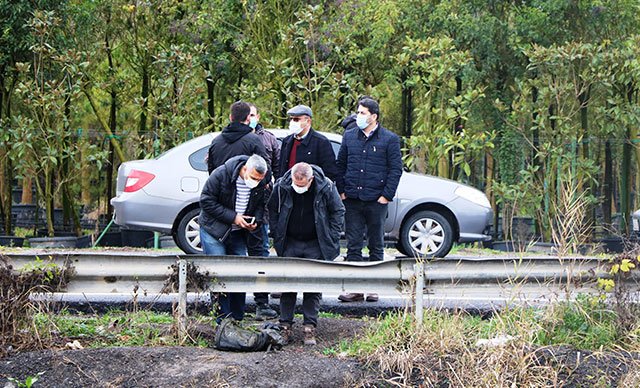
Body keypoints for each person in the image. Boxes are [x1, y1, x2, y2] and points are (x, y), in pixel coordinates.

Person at [268, 162, 345, 345]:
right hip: (290, 242)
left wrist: (331, 237)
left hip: (315, 242)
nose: (298, 187)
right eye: (296, 183)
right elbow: (272, 209)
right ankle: (285, 325)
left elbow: (338, 211)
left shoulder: (325, 186)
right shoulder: (282, 186)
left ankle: (309, 327)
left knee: (313, 285)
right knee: (288, 285)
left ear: (310, 180)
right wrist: (277, 233)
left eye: (302, 185)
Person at [335, 97, 403, 302]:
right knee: (354, 244)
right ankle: (355, 288)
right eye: (358, 112)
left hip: (376, 200)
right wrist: (342, 191)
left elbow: (395, 170)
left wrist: (385, 196)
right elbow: (341, 165)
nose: (359, 116)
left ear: (374, 116)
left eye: (363, 113)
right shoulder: (349, 136)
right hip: (353, 199)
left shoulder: (389, 139)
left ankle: (374, 286)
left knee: (376, 244)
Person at [199, 154, 270, 321]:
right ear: (245, 168)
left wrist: (256, 222)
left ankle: (237, 317)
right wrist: (233, 217)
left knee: (239, 273)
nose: (256, 182)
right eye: (253, 178)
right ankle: (222, 318)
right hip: (214, 230)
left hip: (239, 232)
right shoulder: (221, 174)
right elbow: (206, 201)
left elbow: (261, 205)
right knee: (219, 273)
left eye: (259, 179)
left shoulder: (262, 182)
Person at [247, 103, 281, 317]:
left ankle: (262, 303)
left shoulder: (268, 139)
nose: (250, 118)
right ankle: (230, 304)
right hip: (236, 206)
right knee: (233, 256)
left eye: (253, 114)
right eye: (247, 115)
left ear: (258, 116)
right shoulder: (228, 138)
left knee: (260, 254)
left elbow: (277, 167)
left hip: (261, 205)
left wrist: (268, 186)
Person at [277, 104, 338, 182]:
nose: (292, 122)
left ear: (308, 121)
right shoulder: (287, 141)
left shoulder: (321, 142)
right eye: (291, 119)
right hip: (289, 190)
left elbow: (329, 173)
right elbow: (281, 170)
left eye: (296, 119)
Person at [207, 101, 267, 174]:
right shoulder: (254, 140)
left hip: (222, 184)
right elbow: (264, 168)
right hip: (247, 184)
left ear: (230, 117)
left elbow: (211, 170)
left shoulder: (216, 142)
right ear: (248, 117)